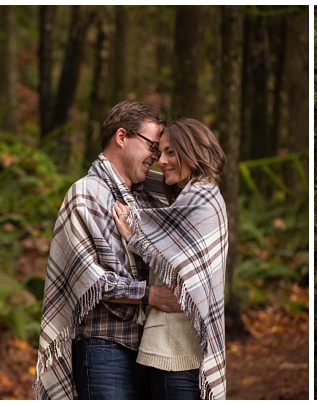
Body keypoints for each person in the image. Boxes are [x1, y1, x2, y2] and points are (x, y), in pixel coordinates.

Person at [34, 101, 183, 400]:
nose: (155, 157)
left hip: (152, 349)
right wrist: (152, 295)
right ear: (121, 137)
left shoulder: (150, 196)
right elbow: (92, 281)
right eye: (152, 146)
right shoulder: (86, 193)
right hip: (104, 347)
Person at [111, 118, 228, 400]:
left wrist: (133, 234)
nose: (161, 161)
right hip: (173, 348)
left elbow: (173, 261)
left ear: (193, 151)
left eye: (171, 152)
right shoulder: (190, 198)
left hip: (176, 351)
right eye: (160, 152)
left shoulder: (200, 199)